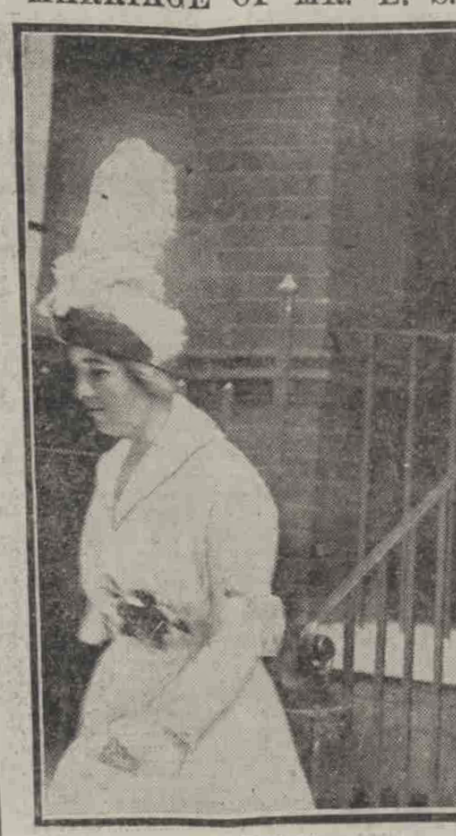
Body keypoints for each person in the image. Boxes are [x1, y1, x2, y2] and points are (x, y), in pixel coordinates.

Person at [40, 139, 313, 816]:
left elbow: (239, 634)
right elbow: (104, 594)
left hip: (206, 724)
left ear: (146, 375)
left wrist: (164, 732)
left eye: (97, 372)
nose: (82, 391)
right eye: (76, 372)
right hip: (121, 693)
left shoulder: (225, 479)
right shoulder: (111, 466)